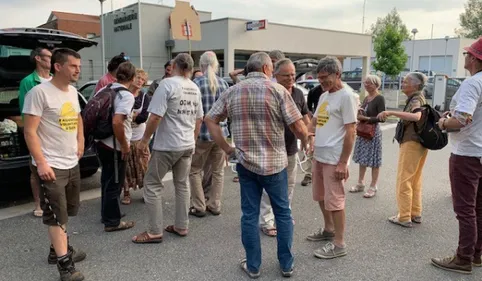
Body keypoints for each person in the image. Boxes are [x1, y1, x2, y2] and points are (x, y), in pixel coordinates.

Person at [205, 52, 310, 278]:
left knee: (249, 215)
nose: (272, 72)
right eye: (272, 68)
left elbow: (210, 119)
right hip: (276, 164)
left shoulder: (232, 91)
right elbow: (299, 127)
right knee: (282, 212)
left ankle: (253, 266)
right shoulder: (278, 91)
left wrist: (227, 148)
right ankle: (286, 264)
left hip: (246, 164)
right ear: (265, 69)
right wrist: (306, 141)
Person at [23, 48, 86, 281]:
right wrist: (41, 163)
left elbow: (78, 117)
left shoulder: (72, 92)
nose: (78, 70)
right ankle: (64, 266)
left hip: (71, 162)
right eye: (73, 66)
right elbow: (29, 131)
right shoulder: (39, 93)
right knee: (57, 217)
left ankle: (56, 250)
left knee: (67, 212)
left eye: (79, 66)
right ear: (58, 67)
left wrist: (80, 140)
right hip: (51, 165)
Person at [132, 53, 203, 244]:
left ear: (175, 66)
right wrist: (193, 140)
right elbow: (199, 118)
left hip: (167, 144)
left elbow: (155, 116)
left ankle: (154, 231)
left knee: (152, 184)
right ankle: (181, 225)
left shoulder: (167, 84)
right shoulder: (195, 88)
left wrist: (144, 140)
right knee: (182, 184)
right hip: (187, 143)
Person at [431, 39, 482, 274]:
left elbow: (462, 120)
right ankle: (476, 255)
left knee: (465, 209)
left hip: (467, 153)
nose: (465, 57)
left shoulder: (472, 83)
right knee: (479, 208)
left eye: (467, 54)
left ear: (473, 58)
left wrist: (442, 122)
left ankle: (463, 258)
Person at [306, 56, 358, 260]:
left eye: (325, 78)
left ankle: (339, 243)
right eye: (319, 78)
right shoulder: (324, 95)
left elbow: (351, 131)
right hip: (320, 154)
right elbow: (316, 120)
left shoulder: (347, 96)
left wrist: (343, 162)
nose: (322, 82)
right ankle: (328, 230)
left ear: (338, 74)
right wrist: (309, 136)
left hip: (335, 157)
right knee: (320, 196)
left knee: (335, 200)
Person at [259, 58, 311, 237]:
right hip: (271, 149)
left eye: (293, 75)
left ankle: (284, 216)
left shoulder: (297, 94)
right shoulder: (270, 92)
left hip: (290, 148)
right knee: (269, 188)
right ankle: (267, 221)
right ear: (275, 75)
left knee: (289, 186)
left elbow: (305, 118)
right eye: (287, 75)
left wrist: (307, 138)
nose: (291, 78)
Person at [377, 72, 428, 228]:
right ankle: (415, 212)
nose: (402, 84)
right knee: (414, 179)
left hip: (412, 143)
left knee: (404, 179)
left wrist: (391, 112)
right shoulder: (419, 97)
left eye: (406, 82)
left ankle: (404, 216)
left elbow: (416, 116)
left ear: (415, 85)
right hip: (420, 143)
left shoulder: (416, 99)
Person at [188, 51, 229, 217]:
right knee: (218, 171)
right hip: (220, 134)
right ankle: (215, 204)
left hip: (201, 134)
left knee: (194, 170)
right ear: (216, 65)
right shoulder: (224, 84)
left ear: (201, 65)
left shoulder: (196, 83)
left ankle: (199, 205)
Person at [97, 62, 137, 232]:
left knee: (106, 179)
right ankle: (112, 222)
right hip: (114, 145)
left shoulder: (105, 89)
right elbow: (117, 121)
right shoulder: (126, 96)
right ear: (133, 78)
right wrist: (125, 145)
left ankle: (107, 214)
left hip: (101, 141)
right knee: (115, 182)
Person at [18, 47, 52, 217]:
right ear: (38, 58)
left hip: (54, 133)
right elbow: (25, 111)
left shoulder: (55, 80)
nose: (51, 60)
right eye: (48, 57)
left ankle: (54, 201)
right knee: (36, 168)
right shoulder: (28, 82)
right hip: (37, 133)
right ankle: (38, 204)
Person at [350, 75, 386, 198]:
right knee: (362, 158)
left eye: (369, 83)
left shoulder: (379, 98)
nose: (366, 85)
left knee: (374, 160)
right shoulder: (366, 98)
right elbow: (365, 111)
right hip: (363, 131)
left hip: (373, 132)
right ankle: (360, 183)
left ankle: (373, 185)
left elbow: (382, 118)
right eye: (365, 83)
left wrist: (365, 118)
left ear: (376, 84)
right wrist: (360, 111)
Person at [121, 69, 152, 205]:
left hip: (140, 137)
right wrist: (132, 116)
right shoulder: (124, 95)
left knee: (144, 166)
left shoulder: (145, 97)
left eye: (143, 79)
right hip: (126, 138)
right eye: (138, 78)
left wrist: (132, 116)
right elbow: (120, 116)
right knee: (126, 168)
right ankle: (126, 193)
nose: (140, 81)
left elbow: (143, 117)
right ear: (132, 78)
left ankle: (147, 192)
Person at [302, 84, 324, 186]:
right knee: (311, 149)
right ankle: (308, 174)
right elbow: (308, 109)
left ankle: (322, 175)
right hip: (316, 123)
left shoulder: (342, 94)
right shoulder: (314, 91)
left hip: (331, 128)